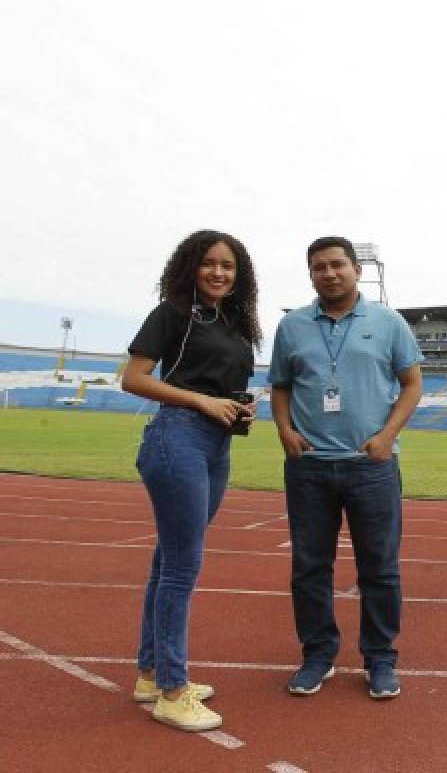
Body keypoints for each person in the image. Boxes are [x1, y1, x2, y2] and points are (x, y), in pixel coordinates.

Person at [268, 236, 423, 699]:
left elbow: (412, 384)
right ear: (311, 274)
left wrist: (387, 436)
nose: (329, 273)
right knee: (309, 567)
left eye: (337, 264)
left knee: (379, 568)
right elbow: (280, 386)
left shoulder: (388, 322)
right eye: (319, 267)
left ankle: (380, 659)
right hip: (309, 466)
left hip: (369, 466)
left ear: (357, 269)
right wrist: (284, 430)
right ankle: (318, 655)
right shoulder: (292, 326)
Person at [122, 230, 261, 731]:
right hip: (176, 438)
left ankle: (150, 673)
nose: (219, 273)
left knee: (168, 562)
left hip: (216, 445)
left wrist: (241, 409)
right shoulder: (173, 313)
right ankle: (173, 691)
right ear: (190, 267)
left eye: (228, 266)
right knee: (182, 567)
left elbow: (221, 386)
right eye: (209, 263)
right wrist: (201, 400)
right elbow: (133, 378)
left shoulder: (235, 326)